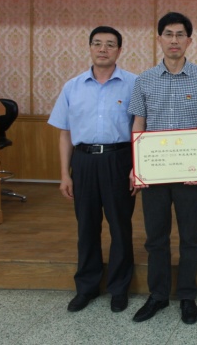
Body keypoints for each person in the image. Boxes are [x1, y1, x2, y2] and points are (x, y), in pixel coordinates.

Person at [128, 12, 197, 325]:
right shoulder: (144, 80)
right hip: (154, 172)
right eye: (168, 34)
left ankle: (187, 296)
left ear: (190, 41)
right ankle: (158, 295)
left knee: (190, 237)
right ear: (159, 39)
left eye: (181, 35)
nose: (174, 40)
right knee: (156, 237)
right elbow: (139, 124)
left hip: (191, 173)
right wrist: (136, 166)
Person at [48, 26, 137, 313]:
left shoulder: (134, 84)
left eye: (110, 44)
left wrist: (137, 168)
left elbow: (141, 130)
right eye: (97, 43)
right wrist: (65, 174)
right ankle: (86, 287)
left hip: (119, 160)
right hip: (83, 161)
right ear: (89, 48)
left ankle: (119, 288)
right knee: (86, 226)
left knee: (120, 226)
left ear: (119, 50)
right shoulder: (72, 87)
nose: (103, 49)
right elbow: (65, 133)